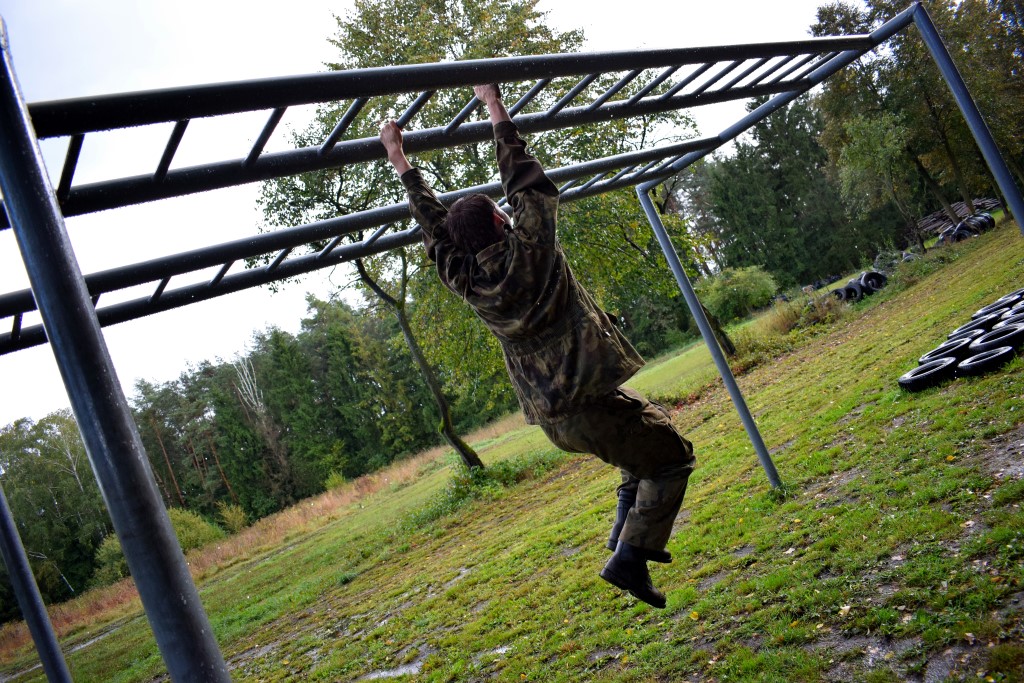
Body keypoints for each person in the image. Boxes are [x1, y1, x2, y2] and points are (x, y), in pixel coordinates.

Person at [379, 84, 695, 609]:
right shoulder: (532, 250)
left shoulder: (468, 283)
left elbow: (435, 232)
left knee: (644, 443)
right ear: (500, 222)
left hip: (555, 420)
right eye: (503, 212)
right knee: (671, 459)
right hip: (589, 404)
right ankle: (629, 558)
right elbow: (525, 181)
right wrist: (493, 105)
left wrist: (398, 159)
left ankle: (624, 546)